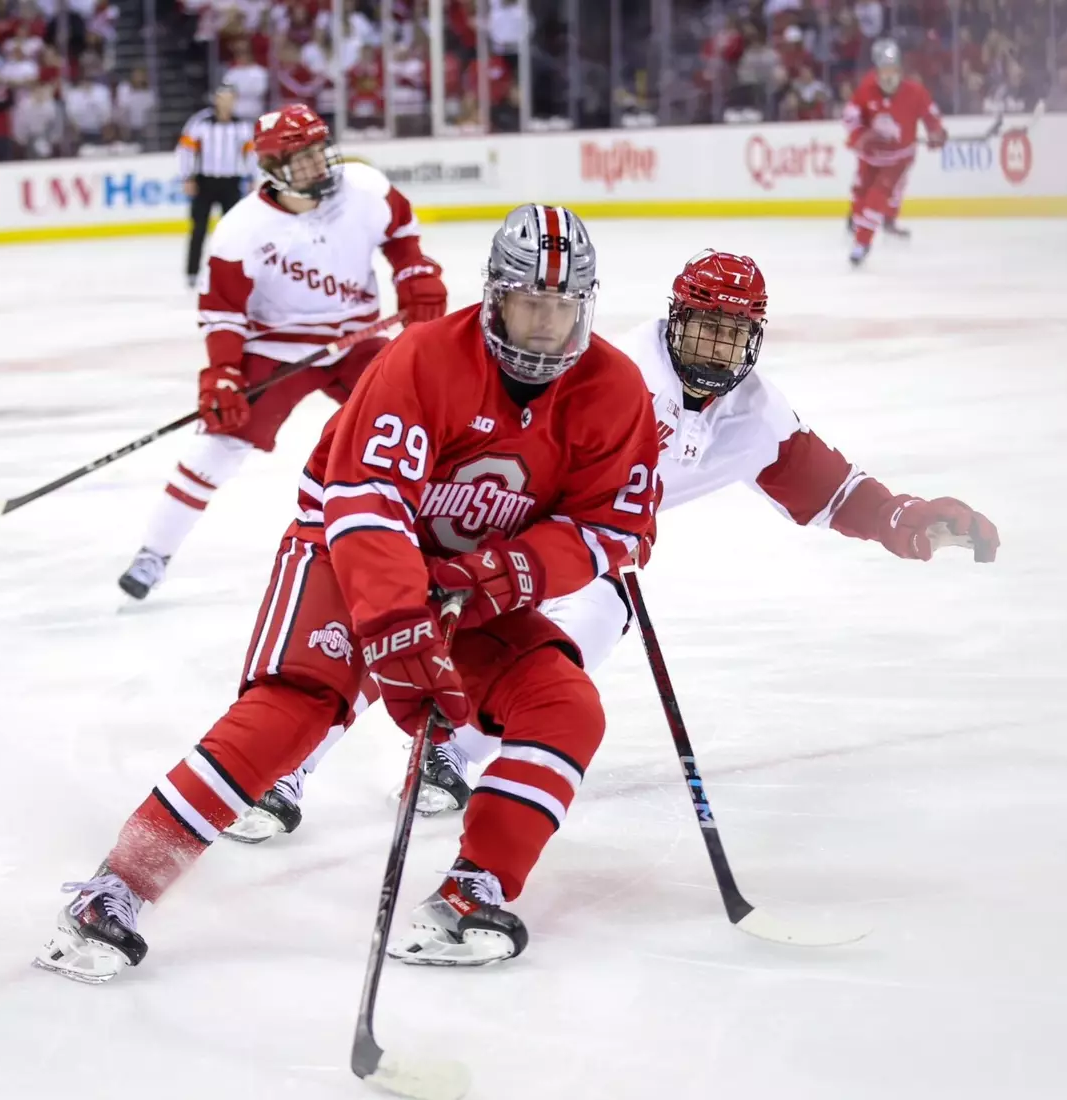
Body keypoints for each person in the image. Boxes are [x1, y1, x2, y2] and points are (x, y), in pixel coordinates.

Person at [37, 205, 663, 981]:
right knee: (294, 711)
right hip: (345, 556)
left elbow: (617, 532)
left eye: (564, 305)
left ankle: (475, 890)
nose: (546, 325)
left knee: (566, 705)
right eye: (531, 302)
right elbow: (364, 502)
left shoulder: (614, 389)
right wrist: (401, 626)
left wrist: (510, 573)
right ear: (495, 296)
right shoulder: (423, 358)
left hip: (473, 589)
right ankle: (113, 891)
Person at [228, 249, 1000, 840]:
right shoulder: (613, 369)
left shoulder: (757, 414)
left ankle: (449, 753)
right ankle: (288, 767)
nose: (718, 345)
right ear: (673, 318)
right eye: (705, 325)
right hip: (490, 521)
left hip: (586, 554)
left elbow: (828, 488)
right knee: (407, 619)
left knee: (582, 634)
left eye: (735, 333)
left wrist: (903, 517)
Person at [117, 104, 448, 600]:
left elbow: (401, 235)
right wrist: (224, 374)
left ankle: (450, 541)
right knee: (220, 443)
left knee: (420, 426)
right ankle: (154, 554)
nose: (318, 164)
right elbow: (224, 313)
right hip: (279, 350)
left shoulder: (363, 188)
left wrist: (415, 273)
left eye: (320, 151)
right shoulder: (241, 229)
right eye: (302, 157)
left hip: (358, 340)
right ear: (273, 169)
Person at [842, 38, 946, 268]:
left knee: (877, 197)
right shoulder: (866, 89)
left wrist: (936, 132)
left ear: (900, 69)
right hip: (870, 158)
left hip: (898, 159)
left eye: (893, 69)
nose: (888, 75)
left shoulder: (915, 92)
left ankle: (862, 244)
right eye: (884, 69)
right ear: (877, 70)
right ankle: (859, 224)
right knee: (861, 197)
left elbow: (931, 116)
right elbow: (850, 117)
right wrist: (861, 136)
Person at [177, 84, 254, 288]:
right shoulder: (200, 123)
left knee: (232, 231)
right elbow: (186, 150)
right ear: (216, 100)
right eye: (223, 98)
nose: (226, 103)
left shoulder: (243, 126)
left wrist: (253, 178)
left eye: (230, 98)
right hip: (205, 182)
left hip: (231, 182)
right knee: (199, 228)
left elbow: (251, 154)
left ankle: (234, 271)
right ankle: (192, 273)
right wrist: (187, 177)